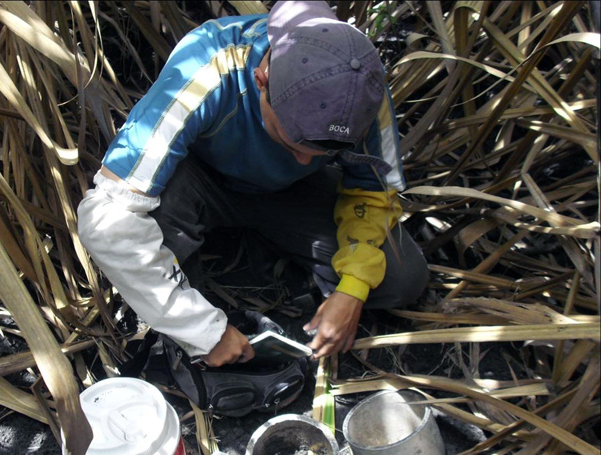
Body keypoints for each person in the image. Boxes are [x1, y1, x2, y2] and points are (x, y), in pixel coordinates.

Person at [77, 1, 428, 368]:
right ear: (261, 80)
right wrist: (202, 331)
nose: (305, 158)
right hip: (200, 182)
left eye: (320, 151)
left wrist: (353, 288)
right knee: (143, 228)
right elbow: (105, 220)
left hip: (293, 191)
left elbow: (372, 192)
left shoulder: (360, 87)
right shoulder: (209, 64)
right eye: (291, 141)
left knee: (402, 277)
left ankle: (266, 245)